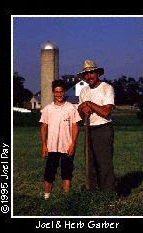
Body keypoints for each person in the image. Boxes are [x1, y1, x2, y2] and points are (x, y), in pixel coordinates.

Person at [77, 60, 116, 192]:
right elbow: (80, 114)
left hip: (103, 129)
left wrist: (89, 104)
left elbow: (106, 112)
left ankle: (108, 194)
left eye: (91, 73)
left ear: (97, 73)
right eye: (86, 74)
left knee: (104, 163)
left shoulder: (106, 88)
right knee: (90, 162)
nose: (89, 76)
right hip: (88, 129)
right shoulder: (83, 91)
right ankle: (92, 192)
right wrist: (82, 108)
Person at [39, 80, 81, 200]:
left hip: (67, 146)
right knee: (49, 172)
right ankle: (46, 197)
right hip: (52, 146)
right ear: (53, 92)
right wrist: (44, 145)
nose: (59, 94)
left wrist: (73, 144)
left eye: (61, 91)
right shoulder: (48, 109)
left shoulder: (71, 108)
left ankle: (66, 198)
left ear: (64, 92)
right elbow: (44, 127)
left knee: (67, 172)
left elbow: (75, 127)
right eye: (56, 92)